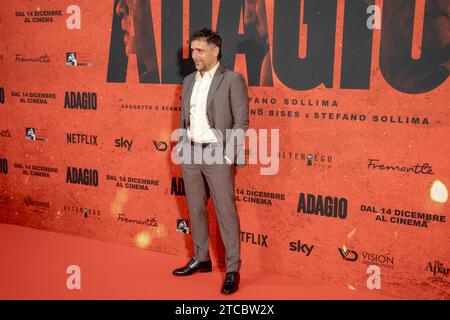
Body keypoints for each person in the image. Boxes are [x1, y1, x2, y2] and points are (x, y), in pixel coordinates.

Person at [172, 28, 249, 295]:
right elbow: (187, 117)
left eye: (199, 50)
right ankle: (201, 258)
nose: (194, 55)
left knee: (226, 213)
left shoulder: (233, 80)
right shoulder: (190, 80)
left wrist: (228, 155)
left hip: (217, 153)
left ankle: (232, 270)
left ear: (216, 51)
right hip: (191, 152)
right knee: (196, 209)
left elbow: (241, 122)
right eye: (192, 50)